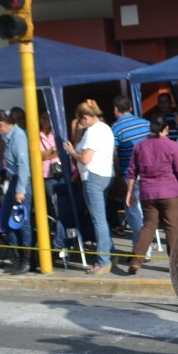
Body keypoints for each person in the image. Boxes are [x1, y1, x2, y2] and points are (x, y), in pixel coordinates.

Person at [125, 118, 178, 275]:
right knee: (172, 228)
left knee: (148, 226)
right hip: (170, 192)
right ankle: (174, 265)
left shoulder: (139, 146)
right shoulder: (172, 146)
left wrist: (129, 192)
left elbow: (132, 171)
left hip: (148, 193)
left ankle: (136, 261)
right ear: (166, 127)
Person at [63, 99, 116, 275]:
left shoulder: (92, 132)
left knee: (98, 220)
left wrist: (72, 152)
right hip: (106, 174)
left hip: (93, 176)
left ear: (85, 117)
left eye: (80, 120)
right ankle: (110, 254)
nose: (80, 124)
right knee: (102, 218)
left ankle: (103, 260)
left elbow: (85, 159)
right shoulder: (106, 128)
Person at [0, 109, 34, 274]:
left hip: (21, 184)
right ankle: (18, 257)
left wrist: (21, 189)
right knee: (7, 221)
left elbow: (23, 165)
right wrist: (3, 173)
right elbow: (14, 165)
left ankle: (27, 261)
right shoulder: (9, 138)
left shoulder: (18, 136)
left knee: (22, 223)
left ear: (1, 124)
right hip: (13, 181)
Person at [111, 95, 152, 258]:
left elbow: (114, 154)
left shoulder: (115, 128)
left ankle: (142, 249)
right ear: (131, 108)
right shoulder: (146, 123)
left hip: (130, 174)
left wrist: (118, 173)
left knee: (133, 211)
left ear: (115, 110)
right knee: (148, 210)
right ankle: (142, 246)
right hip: (150, 173)